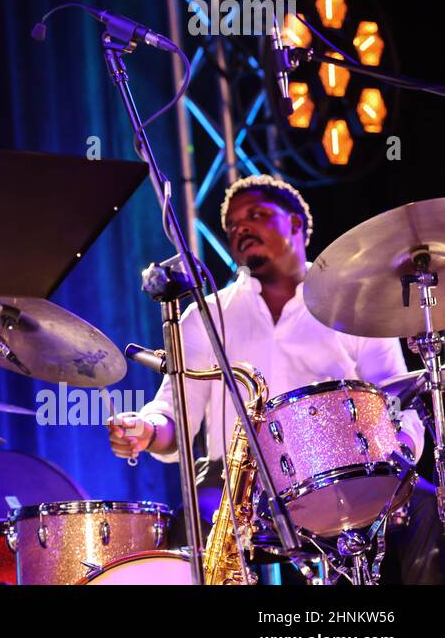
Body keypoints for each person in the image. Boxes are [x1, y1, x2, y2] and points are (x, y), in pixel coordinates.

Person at [107, 174, 441, 583]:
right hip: (237, 484)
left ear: (297, 224)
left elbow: (397, 394)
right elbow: (173, 416)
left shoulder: (355, 305)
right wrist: (145, 429)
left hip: (341, 468)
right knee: (193, 523)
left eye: (257, 215)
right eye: (232, 226)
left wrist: (401, 450)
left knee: (428, 509)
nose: (241, 228)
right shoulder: (205, 317)